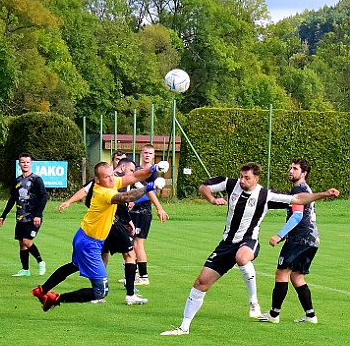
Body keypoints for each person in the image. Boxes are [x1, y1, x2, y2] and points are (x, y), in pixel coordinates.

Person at [160, 162, 339, 335]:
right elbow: (204, 187)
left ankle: (254, 301)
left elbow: (298, 199)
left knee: (242, 257)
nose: (242, 181)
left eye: (246, 178)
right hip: (226, 244)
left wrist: (323, 194)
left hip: (249, 241)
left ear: (256, 178)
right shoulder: (231, 184)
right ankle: (184, 327)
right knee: (201, 283)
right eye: (241, 176)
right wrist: (212, 199)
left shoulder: (265, 195)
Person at [31, 160, 168, 311]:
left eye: (111, 175)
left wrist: (154, 168)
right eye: (107, 177)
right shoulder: (104, 192)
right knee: (100, 291)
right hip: (89, 244)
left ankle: (42, 290)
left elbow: (135, 176)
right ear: (97, 179)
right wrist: (150, 187)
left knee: (74, 265)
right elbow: (126, 197)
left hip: (82, 235)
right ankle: (55, 299)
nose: (111, 179)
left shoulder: (111, 182)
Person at [59, 158, 148, 305]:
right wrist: (128, 220)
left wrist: (153, 170)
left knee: (102, 255)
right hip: (112, 223)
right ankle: (129, 294)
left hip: (103, 225)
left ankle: (98, 291)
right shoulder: (110, 183)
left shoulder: (108, 179)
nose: (132, 172)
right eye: (131, 169)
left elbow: (85, 190)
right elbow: (123, 201)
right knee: (129, 254)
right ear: (122, 167)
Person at [259, 158, 321, 324]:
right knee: (297, 276)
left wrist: (279, 235)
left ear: (304, 173)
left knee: (282, 272)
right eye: (291, 168)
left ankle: (273, 314)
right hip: (312, 240)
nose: (291, 171)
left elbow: (298, 215)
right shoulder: (305, 189)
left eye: (295, 168)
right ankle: (310, 315)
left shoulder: (300, 189)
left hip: (299, 239)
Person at [0, 152, 47, 277]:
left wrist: (38, 215)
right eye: (23, 162)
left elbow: (43, 197)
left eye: (27, 162)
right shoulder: (17, 181)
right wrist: (3, 215)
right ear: (19, 164)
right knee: (21, 243)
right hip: (21, 217)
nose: (25, 164)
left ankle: (41, 262)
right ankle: (25, 270)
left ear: (31, 164)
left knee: (27, 240)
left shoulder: (37, 180)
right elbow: (12, 199)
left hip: (33, 217)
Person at [128, 144, 169, 285]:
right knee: (131, 244)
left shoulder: (154, 172)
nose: (147, 155)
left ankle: (144, 277)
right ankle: (132, 276)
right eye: (145, 152)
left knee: (138, 243)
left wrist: (135, 201)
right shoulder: (137, 170)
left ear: (153, 156)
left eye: (150, 153)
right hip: (132, 212)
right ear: (141, 153)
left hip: (143, 212)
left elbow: (151, 193)